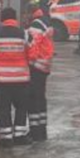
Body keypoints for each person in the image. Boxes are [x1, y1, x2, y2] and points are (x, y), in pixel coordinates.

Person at [0, 6, 36, 147]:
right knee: (21, 108)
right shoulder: (24, 34)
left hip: (1, 80)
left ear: (2, 19)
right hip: (21, 79)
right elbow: (33, 55)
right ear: (14, 18)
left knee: (3, 109)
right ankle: (20, 136)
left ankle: (6, 139)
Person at [27, 9, 54, 141]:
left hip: (36, 66)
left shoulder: (36, 25)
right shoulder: (46, 24)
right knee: (41, 99)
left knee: (33, 100)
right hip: (44, 66)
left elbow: (33, 46)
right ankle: (42, 130)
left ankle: (35, 132)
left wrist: (29, 61)